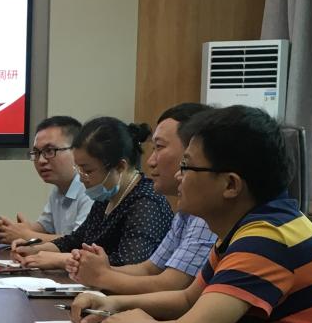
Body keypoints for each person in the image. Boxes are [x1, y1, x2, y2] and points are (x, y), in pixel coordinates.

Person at [70, 105, 312, 323]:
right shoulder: (244, 229)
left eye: (187, 167)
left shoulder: (268, 238)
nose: (178, 176)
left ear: (230, 185)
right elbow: (188, 299)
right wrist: (113, 303)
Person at [66, 103, 217, 293]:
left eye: (159, 147)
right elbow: (149, 269)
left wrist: (102, 277)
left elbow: (173, 286)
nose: (150, 161)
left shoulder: (205, 212)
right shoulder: (186, 211)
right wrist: (97, 270)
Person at [12, 116, 173, 270]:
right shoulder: (106, 196)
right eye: (78, 169)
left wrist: (62, 260)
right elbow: (76, 239)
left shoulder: (147, 203)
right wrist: (36, 249)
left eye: (88, 170)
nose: (82, 178)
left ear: (120, 167)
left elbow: (130, 263)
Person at [0, 116, 92, 245]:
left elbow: (80, 242)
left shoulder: (90, 190)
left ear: (76, 151)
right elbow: (44, 227)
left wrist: (25, 235)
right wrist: (10, 231)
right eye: (36, 153)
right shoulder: (59, 188)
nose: (41, 161)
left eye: (49, 151)